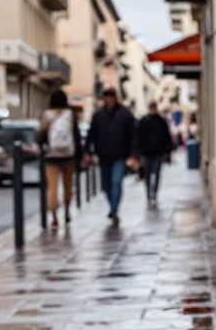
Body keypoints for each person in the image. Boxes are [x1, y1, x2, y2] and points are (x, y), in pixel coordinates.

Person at [84, 86, 137, 226]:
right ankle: (112, 206)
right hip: (104, 155)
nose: (108, 100)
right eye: (106, 97)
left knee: (116, 181)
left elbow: (133, 136)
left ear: (115, 98)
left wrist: (133, 154)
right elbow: (91, 134)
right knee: (106, 184)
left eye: (111, 97)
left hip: (120, 154)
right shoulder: (98, 115)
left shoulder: (125, 114)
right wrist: (88, 152)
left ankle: (114, 209)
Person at [38, 88, 82, 230]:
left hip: (51, 156)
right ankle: (67, 211)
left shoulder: (47, 115)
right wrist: (79, 156)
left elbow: (40, 136)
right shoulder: (70, 115)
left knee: (52, 187)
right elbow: (76, 136)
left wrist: (42, 148)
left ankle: (54, 217)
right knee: (68, 186)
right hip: (68, 155)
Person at [136, 101, 174, 207]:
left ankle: (153, 194)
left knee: (156, 174)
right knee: (148, 175)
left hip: (158, 152)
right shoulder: (143, 121)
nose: (152, 110)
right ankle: (149, 194)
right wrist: (139, 153)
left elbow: (166, 137)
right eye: (151, 108)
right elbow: (138, 138)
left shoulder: (161, 121)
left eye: (153, 108)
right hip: (147, 153)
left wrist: (167, 151)